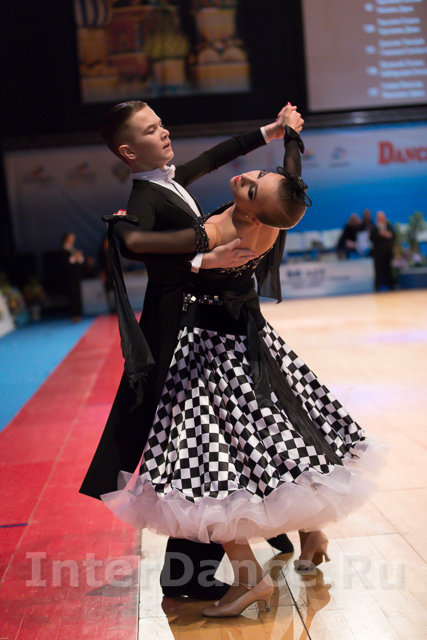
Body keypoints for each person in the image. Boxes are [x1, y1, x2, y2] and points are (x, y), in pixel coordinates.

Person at [97, 109, 386, 617]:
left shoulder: (230, 224)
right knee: (275, 437)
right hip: (245, 338)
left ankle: (249, 573)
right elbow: (261, 173)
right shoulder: (271, 211)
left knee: (214, 458)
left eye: (252, 186)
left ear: (253, 213)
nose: (245, 178)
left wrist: (196, 251)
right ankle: (309, 531)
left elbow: (142, 244)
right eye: (153, 127)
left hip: (214, 349)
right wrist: (282, 135)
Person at [80, 100, 297, 601]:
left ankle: (189, 572)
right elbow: (135, 243)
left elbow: (217, 156)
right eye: (151, 130)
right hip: (174, 332)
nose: (164, 132)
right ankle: (198, 567)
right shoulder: (144, 197)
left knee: (201, 446)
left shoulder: (170, 179)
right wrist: (201, 253)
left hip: (201, 327)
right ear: (129, 151)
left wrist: (271, 130)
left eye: (161, 124)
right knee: (195, 445)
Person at [60, 232, 85, 322]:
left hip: (77, 277)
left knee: (77, 295)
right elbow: (67, 262)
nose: (72, 240)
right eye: (70, 238)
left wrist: (78, 256)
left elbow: (81, 260)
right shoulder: (64, 250)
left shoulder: (72, 249)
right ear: (66, 239)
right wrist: (75, 256)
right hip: (69, 277)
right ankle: (73, 315)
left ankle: (78, 314)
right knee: (72, 296)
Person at [370, 210, 395, 291]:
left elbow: (393, 236)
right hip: (378, 253)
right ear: (377, 218)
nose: (381, 219)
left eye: (382, 217)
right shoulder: (374, 228)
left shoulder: (389, 226)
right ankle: (377, 288)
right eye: (379, 217)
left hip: (387, 252)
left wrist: (388, 235)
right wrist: (380, 234)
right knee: (378, 271)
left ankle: (391, 287)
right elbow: (371, 238)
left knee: (388, 270)